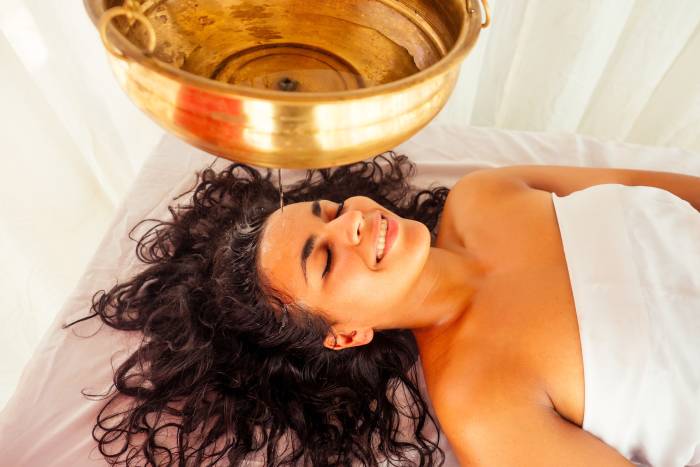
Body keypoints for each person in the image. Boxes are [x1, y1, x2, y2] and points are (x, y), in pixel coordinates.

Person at [65, 151, 700, 466]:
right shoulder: (483, 407)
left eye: (332, 212)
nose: (356, 225)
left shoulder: (488, 193)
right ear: (344, 335)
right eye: (326, 259)